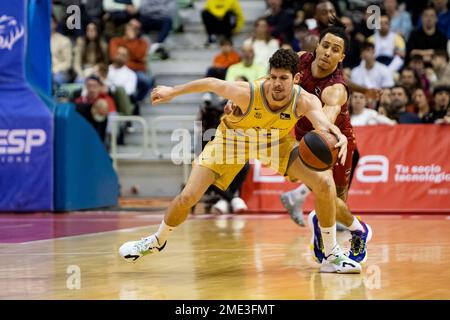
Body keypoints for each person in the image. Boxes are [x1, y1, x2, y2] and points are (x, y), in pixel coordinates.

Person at [119, 49, 364, 273]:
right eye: (273, 77)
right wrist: (172, 91)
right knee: (188, 197)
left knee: (324, 183)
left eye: (283, 78)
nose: (277, 84)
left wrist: (338, 135)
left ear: (296, 79)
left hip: (274, 143)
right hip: (231, 142)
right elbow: (212, 83)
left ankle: (331, 256)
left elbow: (323, 123)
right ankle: (156, 241)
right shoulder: (247, 93)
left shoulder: (305, 100)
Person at [276, 22, 372, 264]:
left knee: (335, 200)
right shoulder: (299, 61)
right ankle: (343, 231)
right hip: (303, 136)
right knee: (322, 190)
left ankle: (355, 229)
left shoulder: (336, 89)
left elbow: (324, 126)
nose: (328, 52)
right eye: (325, 45)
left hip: (333, 142)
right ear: (317, 46)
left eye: (335, 49)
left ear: (341, 57)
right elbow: (270, 82)